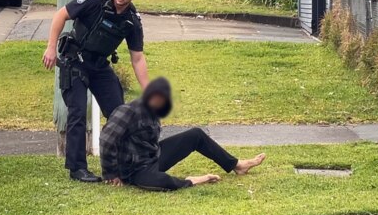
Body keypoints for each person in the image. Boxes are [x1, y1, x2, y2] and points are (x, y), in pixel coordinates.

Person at [42, 0, 149, 183]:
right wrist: (51, 48)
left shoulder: (132, 21)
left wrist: (148, 90)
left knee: (120, 115)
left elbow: (137, 58)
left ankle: (122, 166)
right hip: (75, 60)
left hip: (99, 65)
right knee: (78, 113)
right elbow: (61, 15)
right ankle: (77, 169)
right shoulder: (94, 1)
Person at [100, 77, 266, 191]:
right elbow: (107, 139)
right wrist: (111, 173)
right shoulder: (128, 111)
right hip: (133, 170)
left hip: (152, 157)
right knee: (160, 181)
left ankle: (237, 165)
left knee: (196, 135)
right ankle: (192, 180)